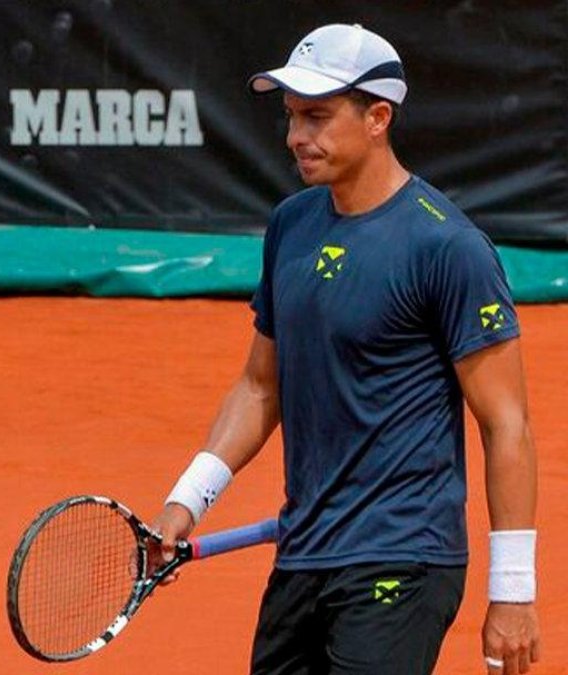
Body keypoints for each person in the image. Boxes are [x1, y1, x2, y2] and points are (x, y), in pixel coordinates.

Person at [150, 24, 540, 675]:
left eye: (317, 116)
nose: (296, 137)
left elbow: (507, 423)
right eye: (292, 117)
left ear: (378, 116)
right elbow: (259, 386)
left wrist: (513, 591)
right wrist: (186, 499)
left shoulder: (448, 246)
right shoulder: (291, 226)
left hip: (404, 557)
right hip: (304, 553)